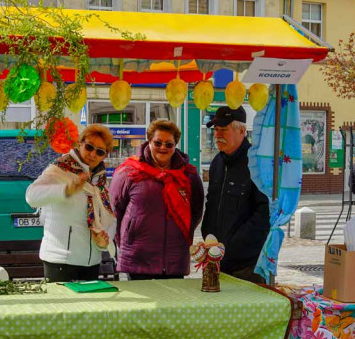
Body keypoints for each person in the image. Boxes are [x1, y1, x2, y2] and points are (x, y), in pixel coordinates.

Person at [110, 119, 203, 280]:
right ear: (149, 141)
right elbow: (114, 211)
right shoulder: (129, 172)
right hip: (138, 257)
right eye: (158, 142)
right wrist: (127, 240)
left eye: (169, 144)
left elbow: (195, 212)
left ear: (175, 146)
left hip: (175, 258)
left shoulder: (189, 175)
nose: (163, 147)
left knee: (173, 305)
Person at [25, 124, 116, 281]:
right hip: (60, 260)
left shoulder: (100, 181)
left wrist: (102, 243)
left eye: (100, 152)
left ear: (104, 155)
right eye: (89, 147)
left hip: (91, 262)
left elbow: (108, 218)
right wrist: (66, 190)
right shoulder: (59, 170)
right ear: (80, 144)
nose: (93, 154)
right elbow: (31, 196)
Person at [201, 106, 270, 284]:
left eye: (223, 129)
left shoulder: (257, 164)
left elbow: (264, 214)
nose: (217, 135)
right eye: (216, 130)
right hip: (217, 262)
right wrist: (208, 237)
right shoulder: (217, 162)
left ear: (242, 130)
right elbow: (211, 204)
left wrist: (232, 247)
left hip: (247, 266)